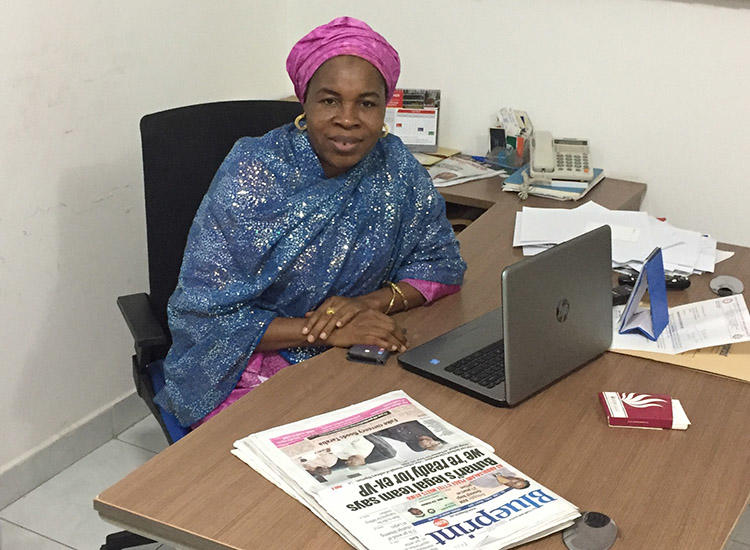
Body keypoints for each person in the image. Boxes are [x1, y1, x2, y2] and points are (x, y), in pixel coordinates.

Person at [154, 16, 467, 428]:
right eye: (330, 100)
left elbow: (441, 267)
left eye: (367, 103)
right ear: (305, 102)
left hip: (354, 352)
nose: (349, 119)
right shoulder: (254, 172)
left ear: (384, 108)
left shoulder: (398, 169)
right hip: (240, 366)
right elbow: (205, 318)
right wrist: (320, 331)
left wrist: (363, 306)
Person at [373, 420, 445, 452]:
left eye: (426, 446)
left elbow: (383, 433)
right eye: (434, 444)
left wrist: (375, 431)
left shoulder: (404, 439)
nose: (428, 444)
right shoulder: (429, 430)